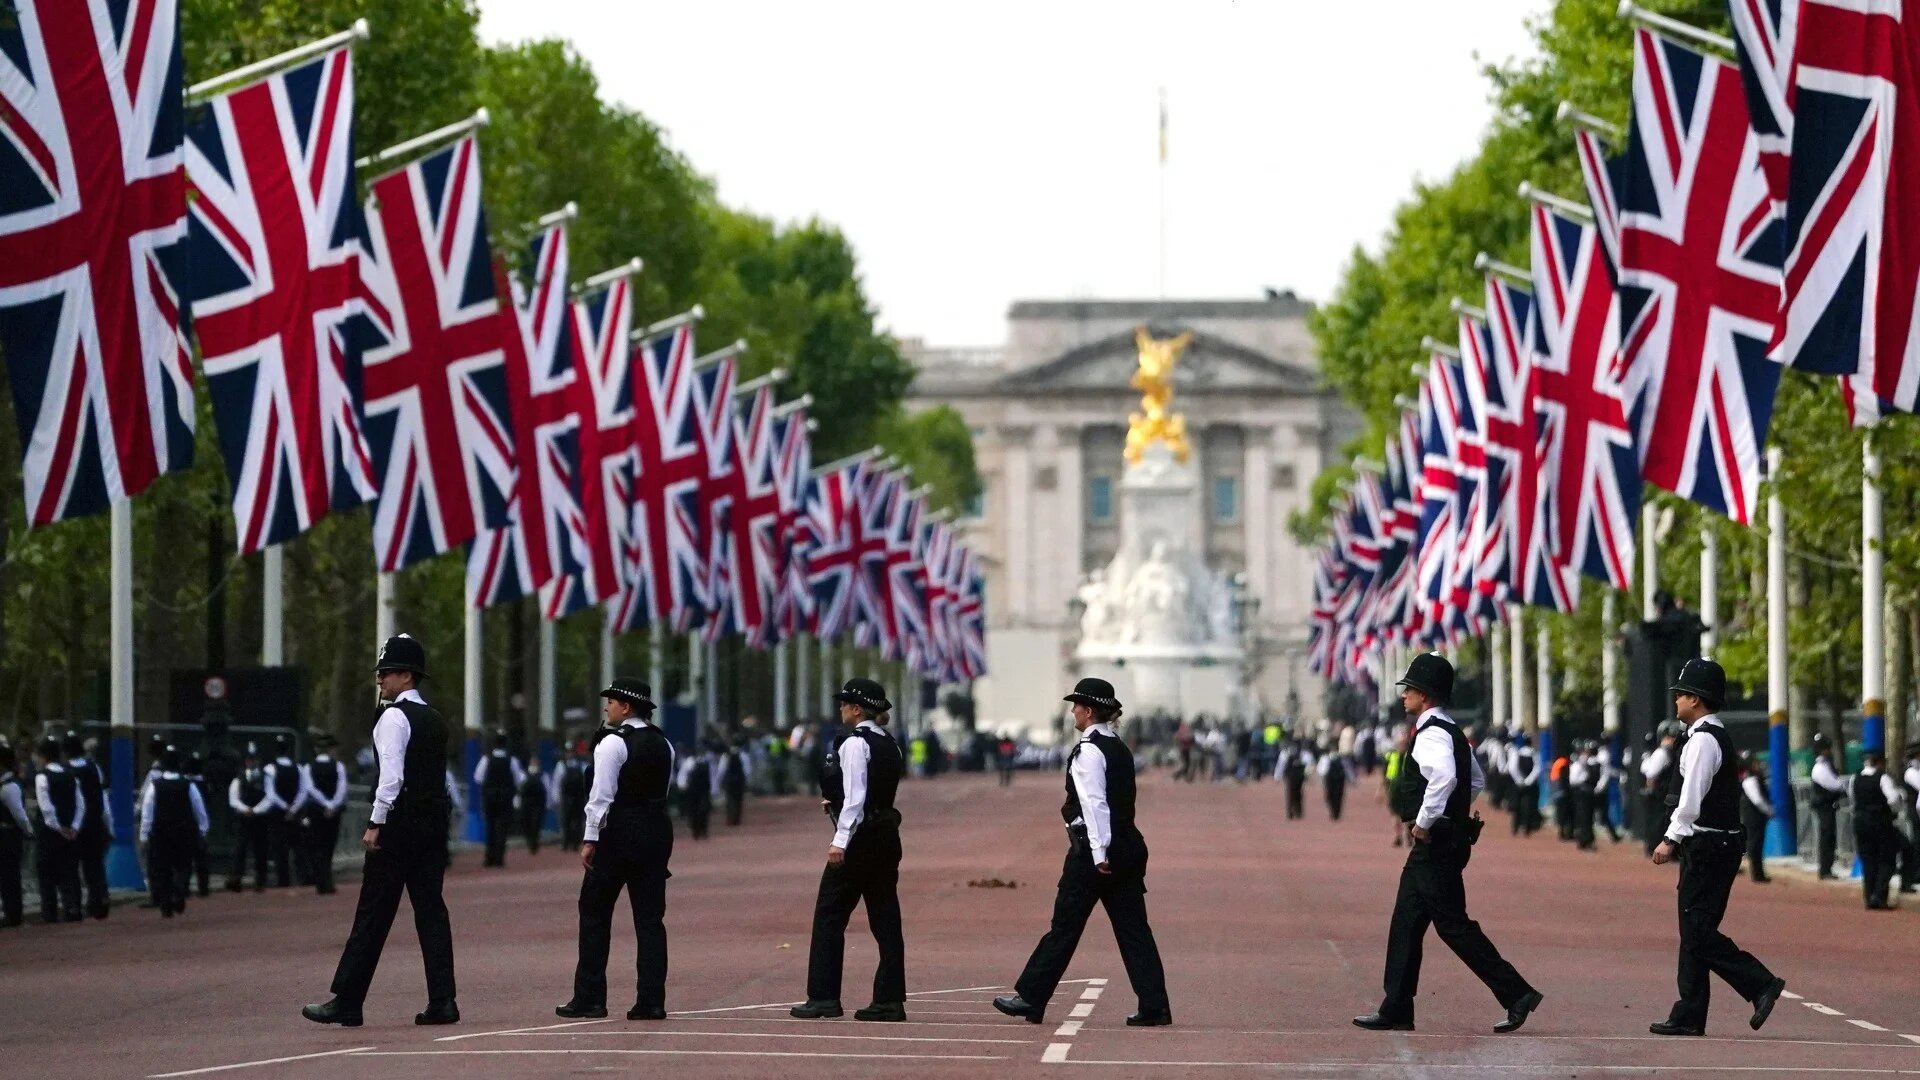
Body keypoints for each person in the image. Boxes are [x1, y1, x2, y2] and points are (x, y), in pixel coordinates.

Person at [1354, 654, 1543, 1035]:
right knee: (1407, 921)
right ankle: (1397, 1006)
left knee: (1453, 926)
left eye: (1408, 688)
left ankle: (1517, 993)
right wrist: (1454, 814)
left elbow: (1444, 777)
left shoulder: (1433, 733)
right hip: (1447, 839)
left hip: (1435, 843)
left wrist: (1425, 822)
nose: (1403, 695)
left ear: (1423, 695)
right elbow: (1473, 780)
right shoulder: (1450, 730)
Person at [996, 677, 1172, 1028]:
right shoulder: (1118, 747)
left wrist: (1098, 852)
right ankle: (1154, 1006)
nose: (1073, 711)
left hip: (1096, 854)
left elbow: (1094, 805)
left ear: (1088, 711)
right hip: (1129, 847)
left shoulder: (1089, 750)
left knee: (1064, 927)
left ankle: (1032, 997)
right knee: (1135, 930)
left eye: (1076, 706)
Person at [304, 634, 458, 1028]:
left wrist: (376, 821)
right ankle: (443, 1000)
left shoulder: (393, 717)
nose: (380, 680)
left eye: (386, 673)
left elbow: (391, 777)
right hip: (431, 824)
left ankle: (348, 999)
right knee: (431, 912)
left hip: (399, 823)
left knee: (373, 912)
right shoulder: (435, 719)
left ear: (406, 676)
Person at [1648, 658, 1786, 1037]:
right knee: (1695, 927)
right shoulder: (1703, 737)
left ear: (1695, 699)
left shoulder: (1704, 741)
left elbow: (1690, 801)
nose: (1675, 701)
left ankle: (1760, 983)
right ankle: (1690, 1012)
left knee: (1697, 931)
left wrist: (1670, 838)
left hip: (1709, 844)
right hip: (1712, 844)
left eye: (1680, 695)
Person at [556, 678, 676, 1021]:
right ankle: (651, 1001)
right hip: (656, 831)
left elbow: (601, 796)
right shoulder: (663, 742)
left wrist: (590, 837)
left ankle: (590, 997)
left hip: (619, 832)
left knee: (594, 913)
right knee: (651, 920)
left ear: (626, 707)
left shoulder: (612, 744)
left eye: (611, 701)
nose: (606, 707)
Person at [791, 679, 908, 1023]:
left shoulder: (856, 743)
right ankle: (889, 999)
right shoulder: (888, 742)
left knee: (829, 916)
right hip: (886, 836)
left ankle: (824, 996)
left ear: (857, 709)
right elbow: (874, 792)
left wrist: (840, 839)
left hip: (861, 839)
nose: (840, 708)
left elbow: (857, 797)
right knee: (885, 920)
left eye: (844, 703)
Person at [139, 746, 209, 918]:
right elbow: (199, 809)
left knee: (162, 867)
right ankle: (179, 889)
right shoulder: (188, 785)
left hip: (161, 832)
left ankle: (165, 903)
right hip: (184, 832)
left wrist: (144, 834)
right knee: (183, 865)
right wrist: (202, 829)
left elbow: (147, 811)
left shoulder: (155, 786)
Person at [33, 735, 85, 923]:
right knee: (69, 871)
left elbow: (46, 807)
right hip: (70, 832)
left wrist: (57, 826)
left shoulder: (42, 777)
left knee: (46, 872)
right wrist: (74, 827)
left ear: (44, 756)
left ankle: (50, 911)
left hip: (49, 833)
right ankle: (73, 907)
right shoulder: (71, 775)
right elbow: (80, 804)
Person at [64, 733, 112, 919]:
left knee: (71, 867)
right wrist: (109, 824)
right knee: (94, 865)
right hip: (94, 824)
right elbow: (103, 799)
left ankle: (74, 905)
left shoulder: (64, 770)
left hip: (74, 826)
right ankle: (99, 900)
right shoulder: (94, 768)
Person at [1851, 751, 1903, 910]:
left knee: (1868, 860)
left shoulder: (1855, 778)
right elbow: (1893, 799)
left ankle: (1869, 896)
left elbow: (1852, 797)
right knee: (1886, 859)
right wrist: (1895, 811)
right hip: (1879, 821)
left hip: (1860, 821)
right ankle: (1879, 896)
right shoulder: (1883, 778)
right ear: (1880, 763)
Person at [301, 735, 349, 895]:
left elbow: (310, 788)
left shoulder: (309, 767)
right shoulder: (338, 766)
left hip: (316, 810)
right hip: (333, 812)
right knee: (329, 845)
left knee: (317, 845)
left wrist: (324, 804)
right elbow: (342, 788)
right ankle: (326, 879)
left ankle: (321, 880)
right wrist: (333, 804)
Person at [475, 731, 524, 869]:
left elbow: (478, 777)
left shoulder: (487, 759)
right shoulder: (511, 760)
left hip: (490, 797)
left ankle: (489, 857)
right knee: (502, 828)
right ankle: (499, 858)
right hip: (505, 797)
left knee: (490, 826)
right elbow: (518, 779)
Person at [227, 745, 273, 892]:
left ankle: (260, 880)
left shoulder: (266, 778)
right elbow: (233, 798)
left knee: (261, 850)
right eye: (249, 759)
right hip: (243, 818)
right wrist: (245, 809)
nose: (251, 762)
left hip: (260, 818)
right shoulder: (239, 778)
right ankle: (236, 878)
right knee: (240, 849)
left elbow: (269, 797)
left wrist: (256, 810)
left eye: (254, 759)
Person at [1808, 733, 1846, 880]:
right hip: (1824, 806)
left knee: (1829, 837)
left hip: (1827, 806)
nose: (1828, 751)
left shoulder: (1825, 765)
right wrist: (1844, 786)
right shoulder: (1820, 767)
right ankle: (1825, 870)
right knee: (1827, 837)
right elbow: (1834, 784)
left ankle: (1827, 868)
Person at [265, 735, 301, 887]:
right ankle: (300, 876)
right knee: (297, 846)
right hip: (294, 812)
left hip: (277, 813)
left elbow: (270, 793)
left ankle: (283, 879)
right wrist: (293, 808)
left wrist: (285, 806)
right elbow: (303, 791)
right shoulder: (297, 768)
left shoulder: (270, 768)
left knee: (279, 847)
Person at [0, 743, 29, 926]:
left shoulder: (9, 787)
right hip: (6, 835)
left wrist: (28, 832)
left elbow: (20, 815)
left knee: (10, 875)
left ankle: (14, 914)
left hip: (8, 835)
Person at [1640, 726, 1680, 857]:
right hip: (1660, 793)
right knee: (1658, 821)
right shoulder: (1662, 753)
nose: (1674, 740)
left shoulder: (1671, 752)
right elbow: (1651, 773)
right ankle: (1653, 846)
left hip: (1668, 793)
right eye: (1671, 737)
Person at [1737, 752, 1773, 884]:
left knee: (1757, 845)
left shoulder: (1754, 778)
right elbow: (1757, 800)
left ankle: (1759, 873)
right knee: (1755, 844)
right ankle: (1757, 874)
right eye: (1755, 763)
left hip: (1756, 817)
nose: (1758, 766)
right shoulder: (1750, 780)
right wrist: (1769, 810)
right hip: (1753, 817)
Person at [183, 752, 213, 898]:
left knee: (187, 859)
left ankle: (186, 888)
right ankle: (203, 888)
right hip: (198, 825)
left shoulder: (187, 784)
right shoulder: (204, 783)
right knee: (200, 860)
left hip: (189, 825)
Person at [558, 741, 592, 851]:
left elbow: (588, 779)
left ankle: (576, 843)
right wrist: (556, 797)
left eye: (571, 751)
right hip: (566, 797)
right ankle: (566, 842)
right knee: (566, 821)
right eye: (568, 751)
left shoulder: (581, 764)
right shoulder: (561, 765)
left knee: (578, 820)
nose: (569, 754)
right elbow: (556, 781)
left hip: (578, 796)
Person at [1506, 734, 1541, 837]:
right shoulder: (1535, 753)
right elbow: (1537, 768)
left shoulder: (1517, 752)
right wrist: (1528, 781)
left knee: (1516, 806)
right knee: (1529, 806)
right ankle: (1527, 827)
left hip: (1518, 784)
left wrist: (1519, 780)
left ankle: (1515, 827)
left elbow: (1512, 768)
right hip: (1530, 785)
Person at [677, 745, 714, 840]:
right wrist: (682, 785)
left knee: (702, 810)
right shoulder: (690, 762)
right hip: (694, 790)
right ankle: (697, 831)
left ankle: (702, 830)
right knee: (695, 811)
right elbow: (683, 775)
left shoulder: (704, 762)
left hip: (700, 790)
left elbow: (711, 776)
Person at [518, 759, 549, 855]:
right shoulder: (523, 774)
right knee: (526, 823)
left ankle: (533, 844)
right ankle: (529, 841)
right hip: (526, 803)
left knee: (536, 824)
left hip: (538, 803)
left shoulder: (543, 775)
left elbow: (547, 789)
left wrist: (547, 803)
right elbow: (519, 788)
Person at [720, 739, 751, 828]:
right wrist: (745, 780)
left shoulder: (725, 756)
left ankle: (730, 818)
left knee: (730, 800)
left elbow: (721, 770)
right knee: (738, 800)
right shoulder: (743, 755)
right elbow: (747, 770)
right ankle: (737, 819)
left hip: (729, 781)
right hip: (739, 781)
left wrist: (721, 781)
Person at [1321, 750, 1352, 821]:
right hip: (1336, 781)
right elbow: (1348, 771)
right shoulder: (1328, 759)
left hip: (1334, 781)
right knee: (1335, 797)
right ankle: (1335, 813)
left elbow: (1322, 771)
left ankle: (1335, 813)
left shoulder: (1326, 759)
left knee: (1334, 797)